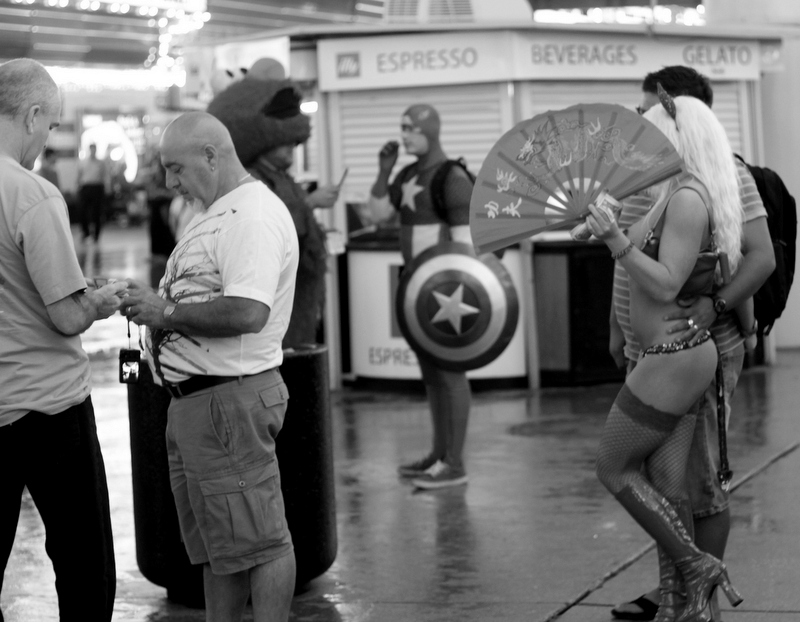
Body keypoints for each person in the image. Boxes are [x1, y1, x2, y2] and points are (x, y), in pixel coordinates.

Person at [610, 67, 774, 622]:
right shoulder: (645, 177)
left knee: (700, 481)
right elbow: (630, 264)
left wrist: (718, 305)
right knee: (665, 482)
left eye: (650, 114)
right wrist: (619, 327)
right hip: (648, 347)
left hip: (695, 345)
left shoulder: (720, 177)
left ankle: (699, 589)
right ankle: (678, 592)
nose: (641, 123)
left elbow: (757, 255)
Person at [122, 111, 299, 622]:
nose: (170, 181)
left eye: (176, 168)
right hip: (201, 404)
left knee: (261, 541)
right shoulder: (214, 211)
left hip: (229, 401)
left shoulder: (252, 216)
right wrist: (153, 303)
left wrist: (165, 311)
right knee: (221, 547)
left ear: (211, 155)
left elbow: (249, 311)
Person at [0, 58, 126, 622]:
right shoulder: (31, 194)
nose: (47, 141)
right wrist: (98, 300)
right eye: (51, 127)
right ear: (30, 115)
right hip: (49, 409)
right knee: (83, 561)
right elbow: (66, 317)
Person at [366, 103, 474, 490]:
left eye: (411, 128)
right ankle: (438, 453)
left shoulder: (453, 177)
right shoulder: (410, 173)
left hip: (444, 291)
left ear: (430, 130)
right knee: (431, 374)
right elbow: (377, 213)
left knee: (450, 372)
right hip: (416, 287)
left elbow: (466, 247)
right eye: (402, 127)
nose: (404, 134)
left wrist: (450, 290)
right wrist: (384, 171)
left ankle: (454, 462)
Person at [208, 74, 338, 347]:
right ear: (263, 140)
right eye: (286, 142)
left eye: (295, 143)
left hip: (296, 294)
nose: (292, 149)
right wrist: (311, 203)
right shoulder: (253, 180)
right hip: (271, 302)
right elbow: (267, 222)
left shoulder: (281, 177)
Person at [78, 142, 109, 243]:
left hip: (97, 187)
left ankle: (96, 235)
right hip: (86, 187)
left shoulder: (101, 163)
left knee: (97, 212)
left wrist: (107, 188)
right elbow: (79, 175)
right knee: (83, 211)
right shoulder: (83, 162)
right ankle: (86, 233)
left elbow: (105, 175)